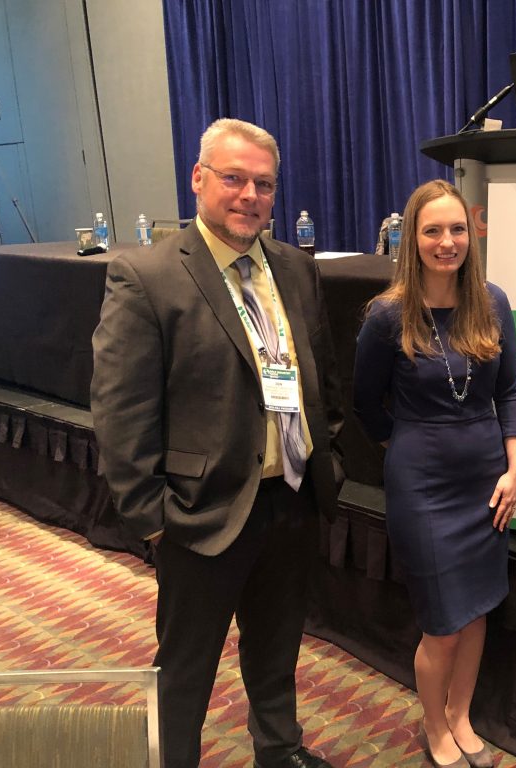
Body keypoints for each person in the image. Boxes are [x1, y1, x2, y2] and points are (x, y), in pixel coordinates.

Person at [91, 118, 344, 768]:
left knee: (277, 649)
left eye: (263, 183)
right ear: (199, 178)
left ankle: (279, 752)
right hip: (199, 517)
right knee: (184, 672)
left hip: (289, 496)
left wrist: (323, 461)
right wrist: (154, 523)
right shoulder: (146, 275)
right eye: (234, 178)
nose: (250, 195)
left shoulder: (293, 266)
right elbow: (121, 414)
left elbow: (320, 378)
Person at [353, 180, 516, 768]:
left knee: (476, 612)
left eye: (457, 229)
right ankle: (434, 726)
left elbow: (511, 393)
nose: (446, 241)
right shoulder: (386, 315)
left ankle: (461, 715)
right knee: (442, 624)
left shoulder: (493, 302)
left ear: (472, 235)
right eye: (432, 230)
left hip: (487, 483)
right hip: (422, 489)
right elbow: (363, 403)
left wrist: (515, 468)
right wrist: (404, 447)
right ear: (412, 238)